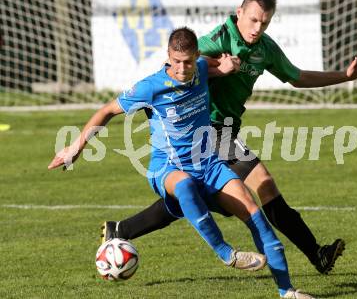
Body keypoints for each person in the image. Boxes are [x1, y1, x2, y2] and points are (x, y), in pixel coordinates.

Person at [102, 0, 357, 275]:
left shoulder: (265, 48)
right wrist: (219, 68)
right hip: (207, 132)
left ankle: (121, 229)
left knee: (192, 197)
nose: (257, 28)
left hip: (228, 130)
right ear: (239, 12)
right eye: (254, 20)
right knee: (261, 183)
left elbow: (298, 77)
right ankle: (315, 254)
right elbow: (175, 70)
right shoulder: (216, 40)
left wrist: (344, 76)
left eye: (264, 23)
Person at [48, 27, 316, 299]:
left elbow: (214, 65)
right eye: (176, 61)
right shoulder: (150, 88)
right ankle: (226, 253)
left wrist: (225, 67)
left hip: (209, 165)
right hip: (168, 168)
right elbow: (106, 111)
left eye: (188, 61)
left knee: (257, 219)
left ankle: (287, 292)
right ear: (168, 56)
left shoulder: (200, 67)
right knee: (185, 186)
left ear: (196, 56)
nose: (182, 68)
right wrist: (75, 147)